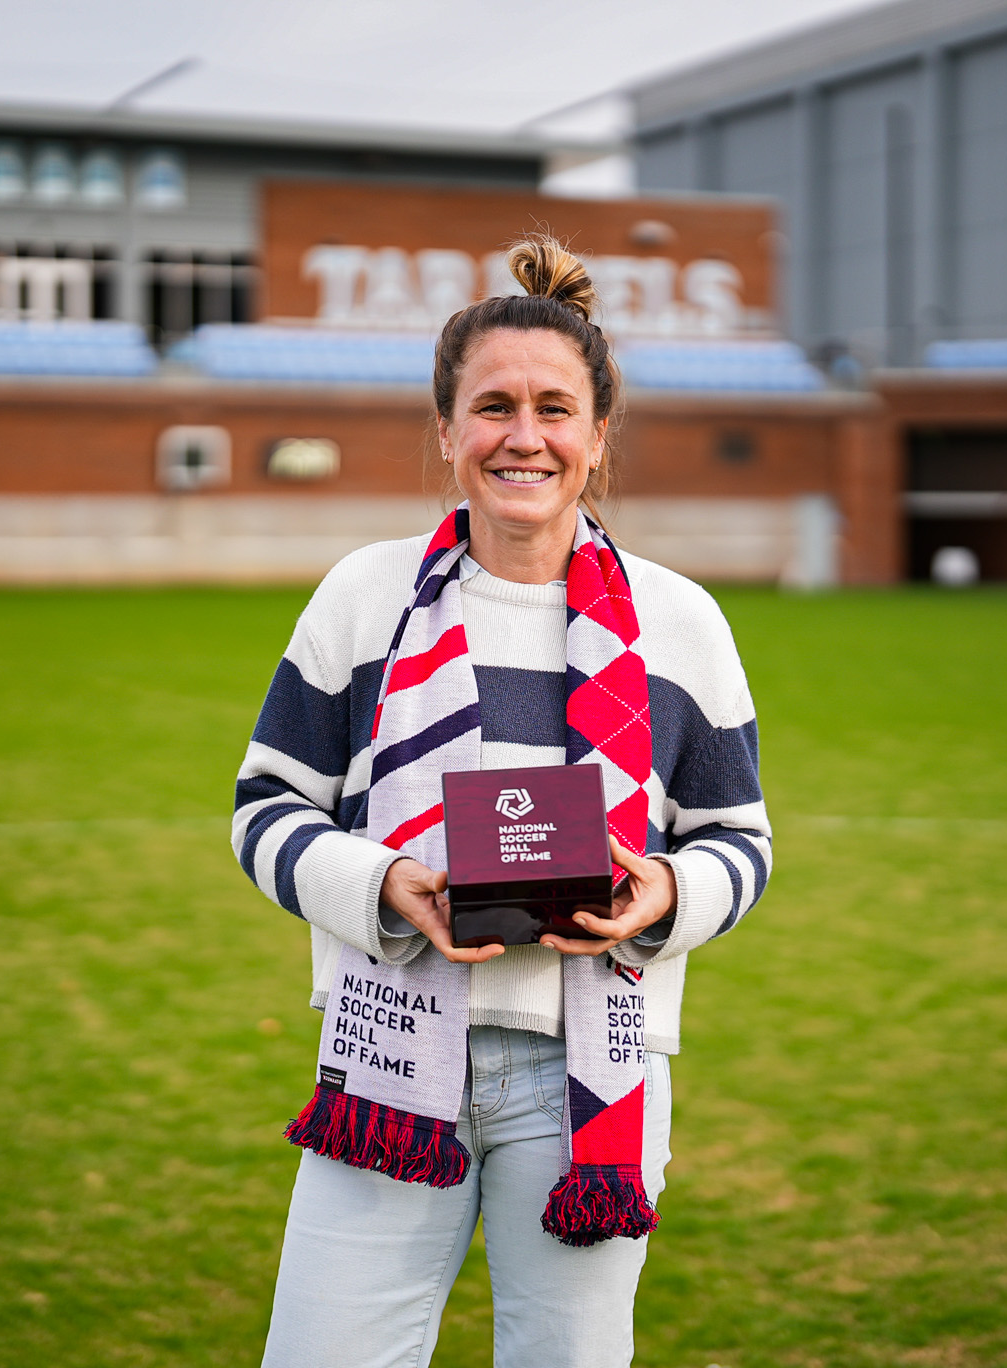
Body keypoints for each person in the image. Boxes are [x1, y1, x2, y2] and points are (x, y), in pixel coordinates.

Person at [230, 234, 772, 1368]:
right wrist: (383, 883)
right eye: (492, 407)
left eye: (554, 409)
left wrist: (664, 895)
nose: (524, 437)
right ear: (446, 430)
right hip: (386, 1057)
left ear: (597, 435)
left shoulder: (680, 621)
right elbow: (265, 810)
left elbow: (738, 840)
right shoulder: (365, 594)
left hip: (590, 1076)